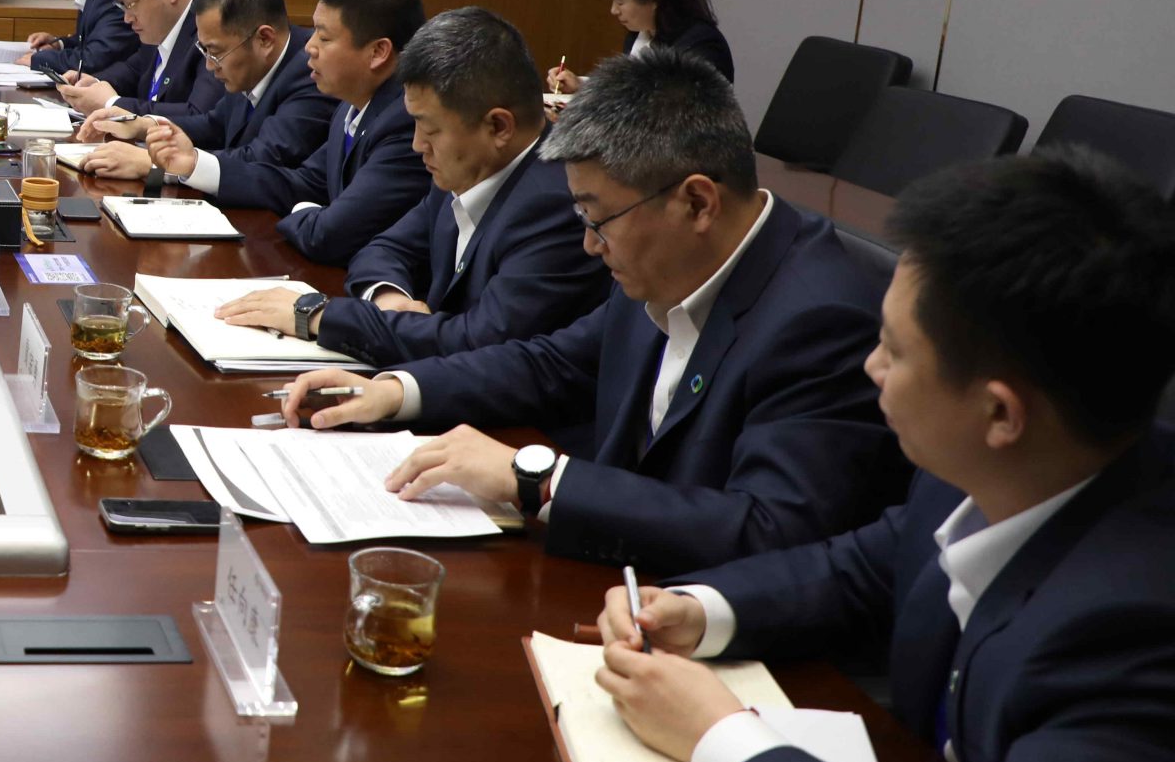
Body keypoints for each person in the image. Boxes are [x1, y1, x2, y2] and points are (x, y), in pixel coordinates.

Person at [596, 149, 1175, 762]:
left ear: (999, 411)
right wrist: (701, 608)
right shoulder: (1000, 465)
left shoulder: (1134, 629)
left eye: (894, 351)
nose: (869, 367)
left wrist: (719, 736)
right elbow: (870, 563)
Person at [278, 51, 909, 573]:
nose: (587, 243)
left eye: (596, 218)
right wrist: (397, 391)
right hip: (614, 581)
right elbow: (553, 364)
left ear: (697, 203)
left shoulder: (818, 319)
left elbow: (771, 530)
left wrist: (541, 480)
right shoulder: (667, 260)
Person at [215, 7, 608, 363]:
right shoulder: (466, 166)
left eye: (429, 129)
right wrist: (392, 300)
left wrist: (318, 315)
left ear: (498, 126)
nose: (418, 144)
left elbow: (481, 341)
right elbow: (383, 249)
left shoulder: (558, 204)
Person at [146, 0, 431, 259]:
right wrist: (192, 165)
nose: (310, 46)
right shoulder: (351, 108)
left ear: (378, 52)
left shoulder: (406, 122)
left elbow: (329, 234)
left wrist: (302, 211)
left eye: (324, 37)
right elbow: (301, 184)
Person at [73, 0, 330, 185]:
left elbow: (262, 159)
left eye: (215, 53)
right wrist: (143, 126)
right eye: (204, 51)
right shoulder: (250, 64)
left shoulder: (311, 73)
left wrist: (158, 164)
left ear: (264, 39)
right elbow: (214, 125)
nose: (208, 66)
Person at [58, 0, 227, 131]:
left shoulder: (214, 26)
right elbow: (136, 67)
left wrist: (112, 103)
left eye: (130, 4)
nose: (127, 18)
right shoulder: (160, 23)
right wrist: (95, 82)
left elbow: (198, 115)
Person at [548, 0, 733, 92]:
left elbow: (670, 111)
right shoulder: (641, 32)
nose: (614, 10)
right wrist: (581, 86)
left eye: (620, 2)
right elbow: (627, 90)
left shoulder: (701, 47)